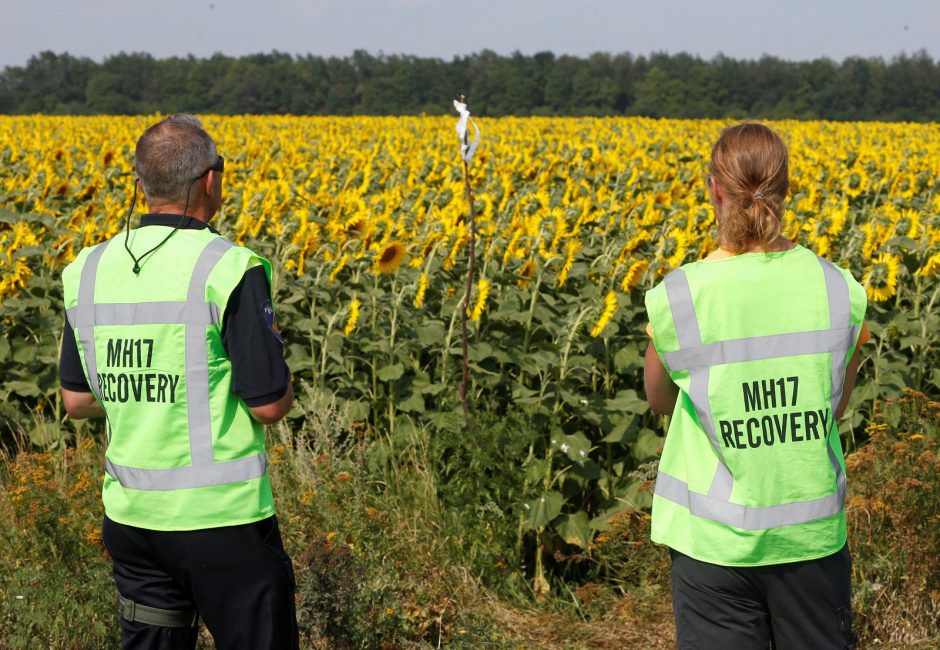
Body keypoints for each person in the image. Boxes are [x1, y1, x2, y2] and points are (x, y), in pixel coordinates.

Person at [59, 114, 298, 649]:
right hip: (222, 521)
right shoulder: (229, 267)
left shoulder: (87, 270)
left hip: (133, 521)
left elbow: (76, 400)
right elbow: (266, 405)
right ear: (211, 179)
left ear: (140, 185)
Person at [643, 123, 867, 649]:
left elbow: (658, 400)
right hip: (810, 541)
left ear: (714, 190)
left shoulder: (681, 296)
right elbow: (834, 405)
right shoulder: (838, 289)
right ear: (786, 191)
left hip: (712, 545)